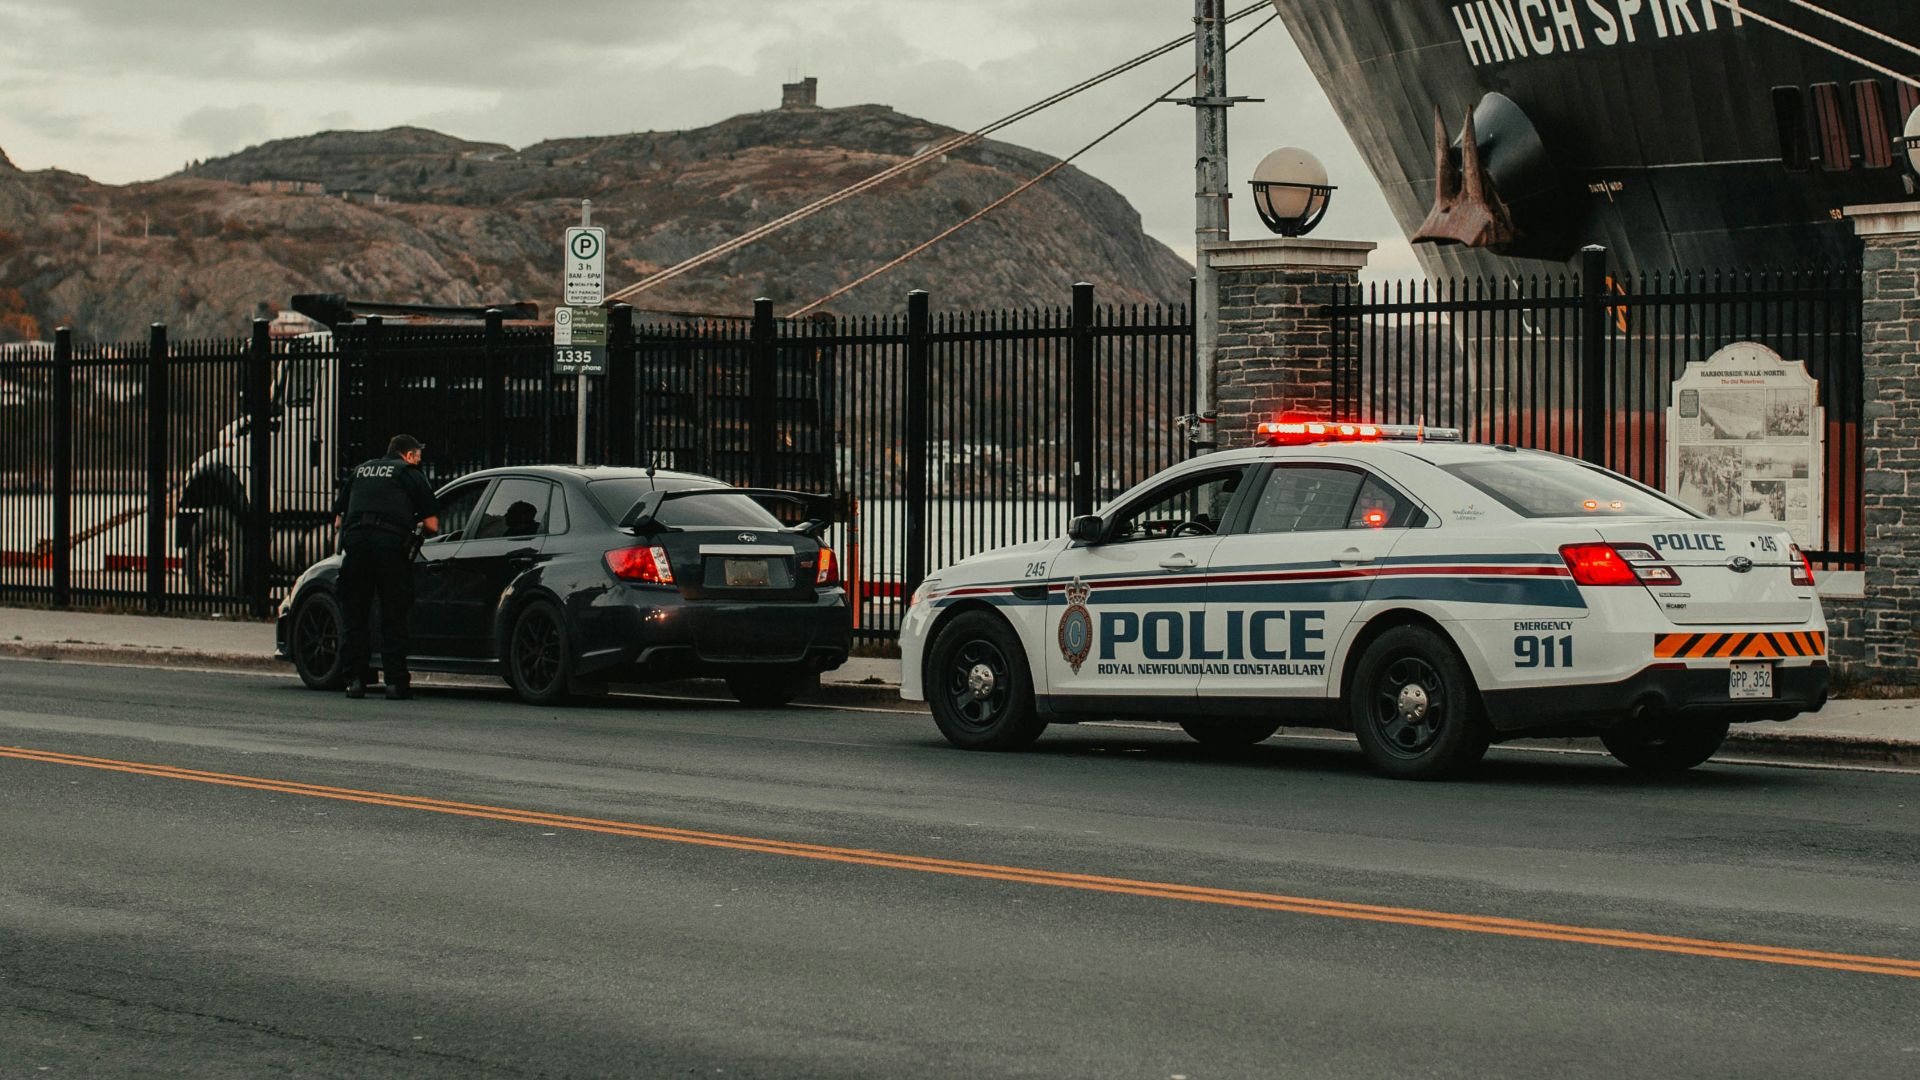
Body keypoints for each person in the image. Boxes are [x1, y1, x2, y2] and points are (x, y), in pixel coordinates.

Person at [332, 434, 440, 700]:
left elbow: (337, 521)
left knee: (355, 616)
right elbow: (432, 525)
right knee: (393, 615)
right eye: (418, 455)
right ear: (409, 455)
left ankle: (355, 681)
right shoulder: (409, 474)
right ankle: (395, 683)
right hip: (390, 550)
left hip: (356, 547)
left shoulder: (361, 471)